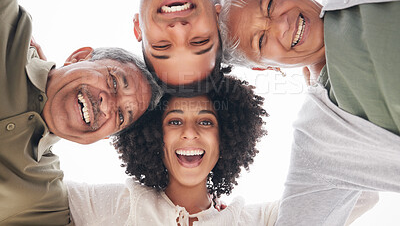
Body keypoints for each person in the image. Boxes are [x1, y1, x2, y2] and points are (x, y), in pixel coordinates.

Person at [210, 0, 400, 224]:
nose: (281, 26)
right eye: (261, 41)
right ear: (263, 67)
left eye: (270, 5)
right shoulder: (320, 141)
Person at [66, 76, 377, 225]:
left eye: (205, 121)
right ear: (153, 137)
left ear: (226, 138)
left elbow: (360, 190)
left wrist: (321, 89)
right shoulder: (116, 204)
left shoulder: (254, 220)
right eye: (175, 121)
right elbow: (32, 191)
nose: (190, 132)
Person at [0, 0, 161, 223]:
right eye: (113, 82)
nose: (107, 106)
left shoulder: (42, 201)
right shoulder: (9, 30)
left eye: (121, 116)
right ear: (79, 57)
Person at [8, 0, 290, 90]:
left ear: (137, 29)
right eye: (198, 41)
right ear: (217, 18)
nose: (179, 28)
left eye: (162, 45)